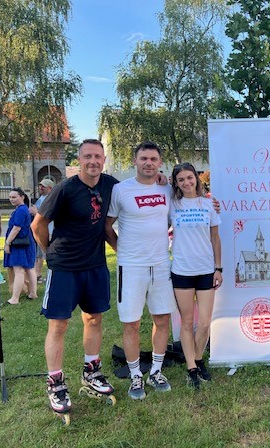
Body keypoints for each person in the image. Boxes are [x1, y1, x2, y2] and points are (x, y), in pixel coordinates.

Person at [31, 139, 122, 416]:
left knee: (94, 318)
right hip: (65, 267)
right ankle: (56, 383)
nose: (93, 161)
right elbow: (38, 224)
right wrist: (50, 253)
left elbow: (137, 189)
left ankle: (91, 371)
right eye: (87, 156)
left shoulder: (110, 184)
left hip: (95, 265)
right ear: (79, 160)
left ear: (104, 160)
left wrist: (164, 181)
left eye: (98, 156)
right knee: (58, 325)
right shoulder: (65, 188)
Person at [104, 142, 178, 401]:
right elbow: (107, 225)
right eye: (144, 158)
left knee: (162, 319)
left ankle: (156, 371)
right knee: (131, 322)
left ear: (160, 163)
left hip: (161, 263)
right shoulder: (121, 190)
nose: (149, 163)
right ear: (134, 161)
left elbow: (186, 206)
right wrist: (120, 249)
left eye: (153, 159)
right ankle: (136, 374)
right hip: (131, 266)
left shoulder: (167, 188)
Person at [170, 162, 222, 390]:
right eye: (181, 179)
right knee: (187, 321)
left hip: (206, 270)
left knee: (205, 323)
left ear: (196, 178)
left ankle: (199, 359)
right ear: (176, 183)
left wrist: (218, 268)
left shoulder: (209, 204)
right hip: (182, 271)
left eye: (189, 178)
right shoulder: (172, 204)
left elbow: (215, 238)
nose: (186, 182)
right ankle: (191, 368)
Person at [3, 188, 37, 304]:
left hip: (19, 244)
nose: (11, 199)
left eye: (14, 197)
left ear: (22, 197)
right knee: (29, 268)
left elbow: (16, 228)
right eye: (10, 197)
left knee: (19, 270)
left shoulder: (21, 210)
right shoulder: (23, 209)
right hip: (26, 242)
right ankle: (33, 293)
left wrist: (7, 243)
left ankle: (15, 298)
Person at [31, 178, 54, 282]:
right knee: (39, 254)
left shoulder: (51, 199)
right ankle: (38, 274)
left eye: (43, 186)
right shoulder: (42, 198)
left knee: (47, 254)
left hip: (48, 231)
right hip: (40, 230)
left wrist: (35, 212)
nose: (40, 187)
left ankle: (48, 274)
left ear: (50, 188)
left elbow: (45, 216)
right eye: (40, 185)